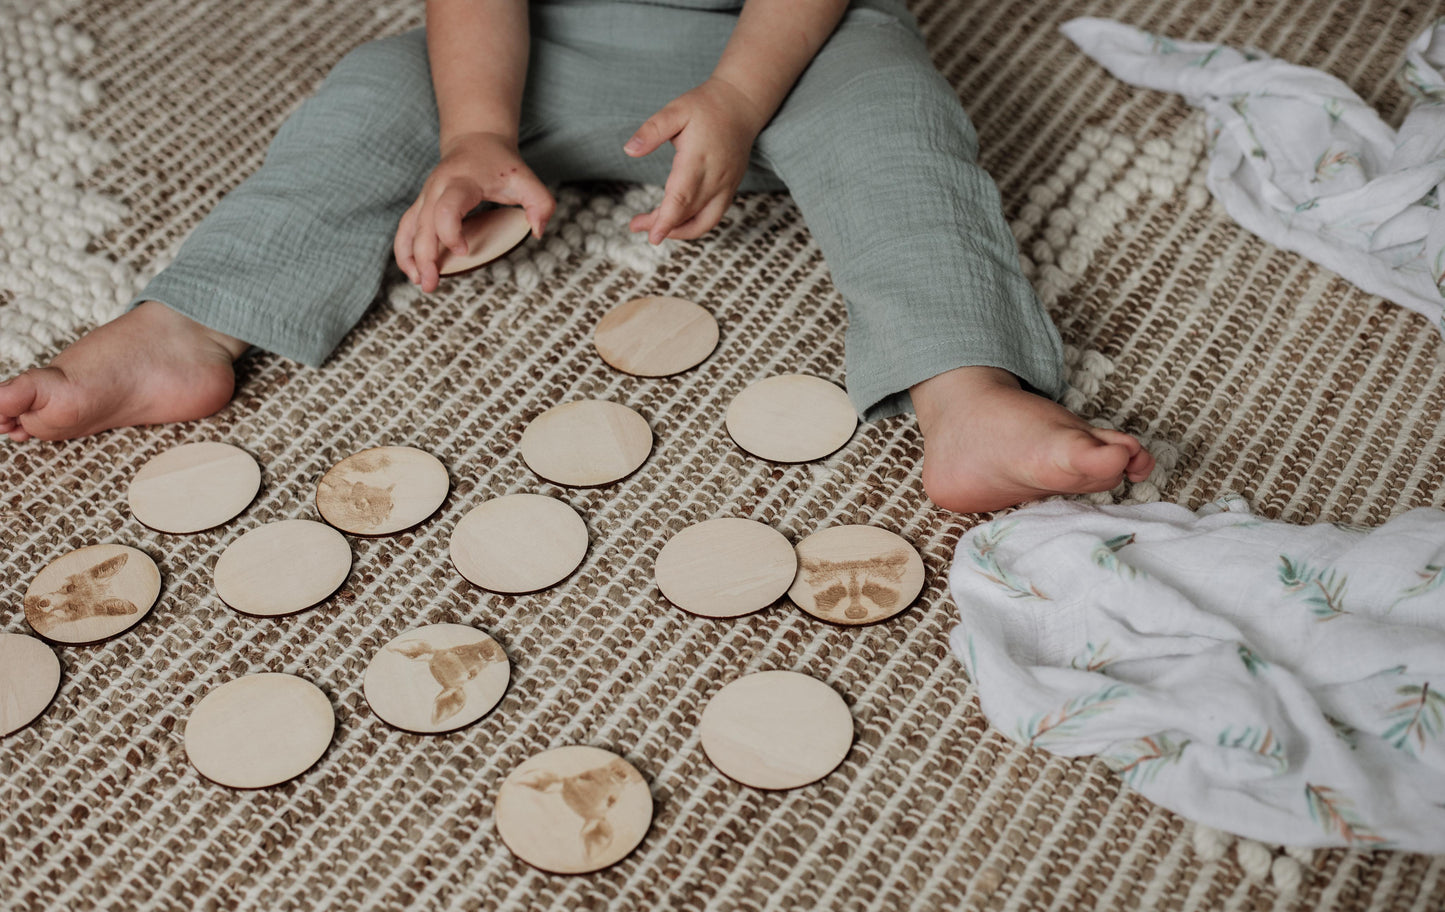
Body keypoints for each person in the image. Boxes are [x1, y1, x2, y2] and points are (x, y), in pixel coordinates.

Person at [0, 0, 1154, 513]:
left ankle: (964, 390)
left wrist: (740, 98)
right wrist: (474, 136)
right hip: (543, 47)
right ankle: (187, 327)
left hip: (784, 51)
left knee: (894, 119)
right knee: (373, 95)